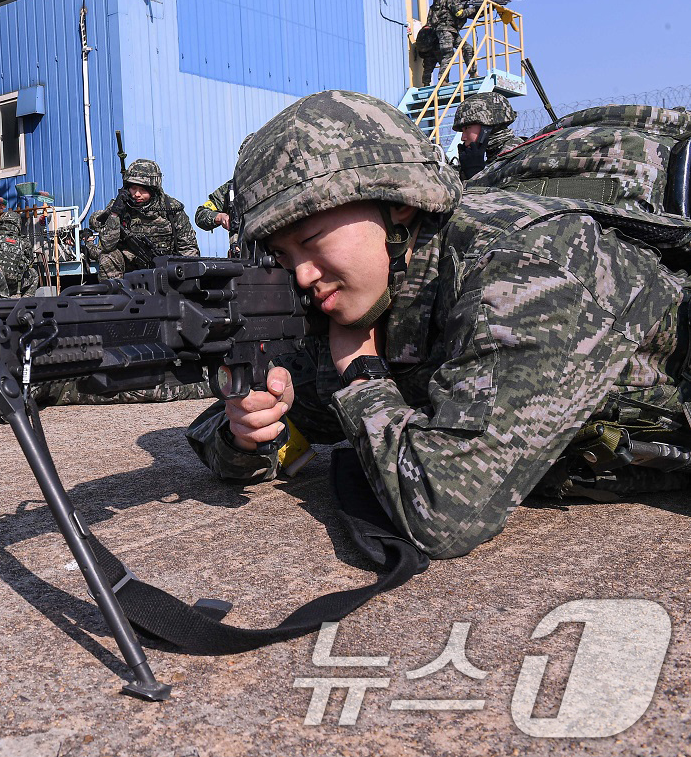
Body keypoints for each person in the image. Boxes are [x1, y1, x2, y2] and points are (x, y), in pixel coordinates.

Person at [187, 89, 691, 560]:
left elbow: (445, 510)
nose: (302, 273)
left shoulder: (524, 267)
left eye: (312, 238)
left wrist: (361, 370)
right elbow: (224, 428)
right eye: (281, 253)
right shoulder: (375, 290)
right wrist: (246, 433)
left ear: (398, 203)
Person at [91, 159, 200, 281]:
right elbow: (107, 245)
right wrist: (115, 213)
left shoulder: (171, 208)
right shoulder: (120, 206)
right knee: (108, 256)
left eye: (143, 190)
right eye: (133, 188)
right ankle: (116, 296)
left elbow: (189, 248)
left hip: (164, 268)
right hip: (128, 267)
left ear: (153, 190)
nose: (137, 194)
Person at [452, 91, 523, 179]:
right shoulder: (496, 158)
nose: (463, 138)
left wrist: (474, 173)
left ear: (487, 126)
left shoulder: (518, 157)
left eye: (467, 128)